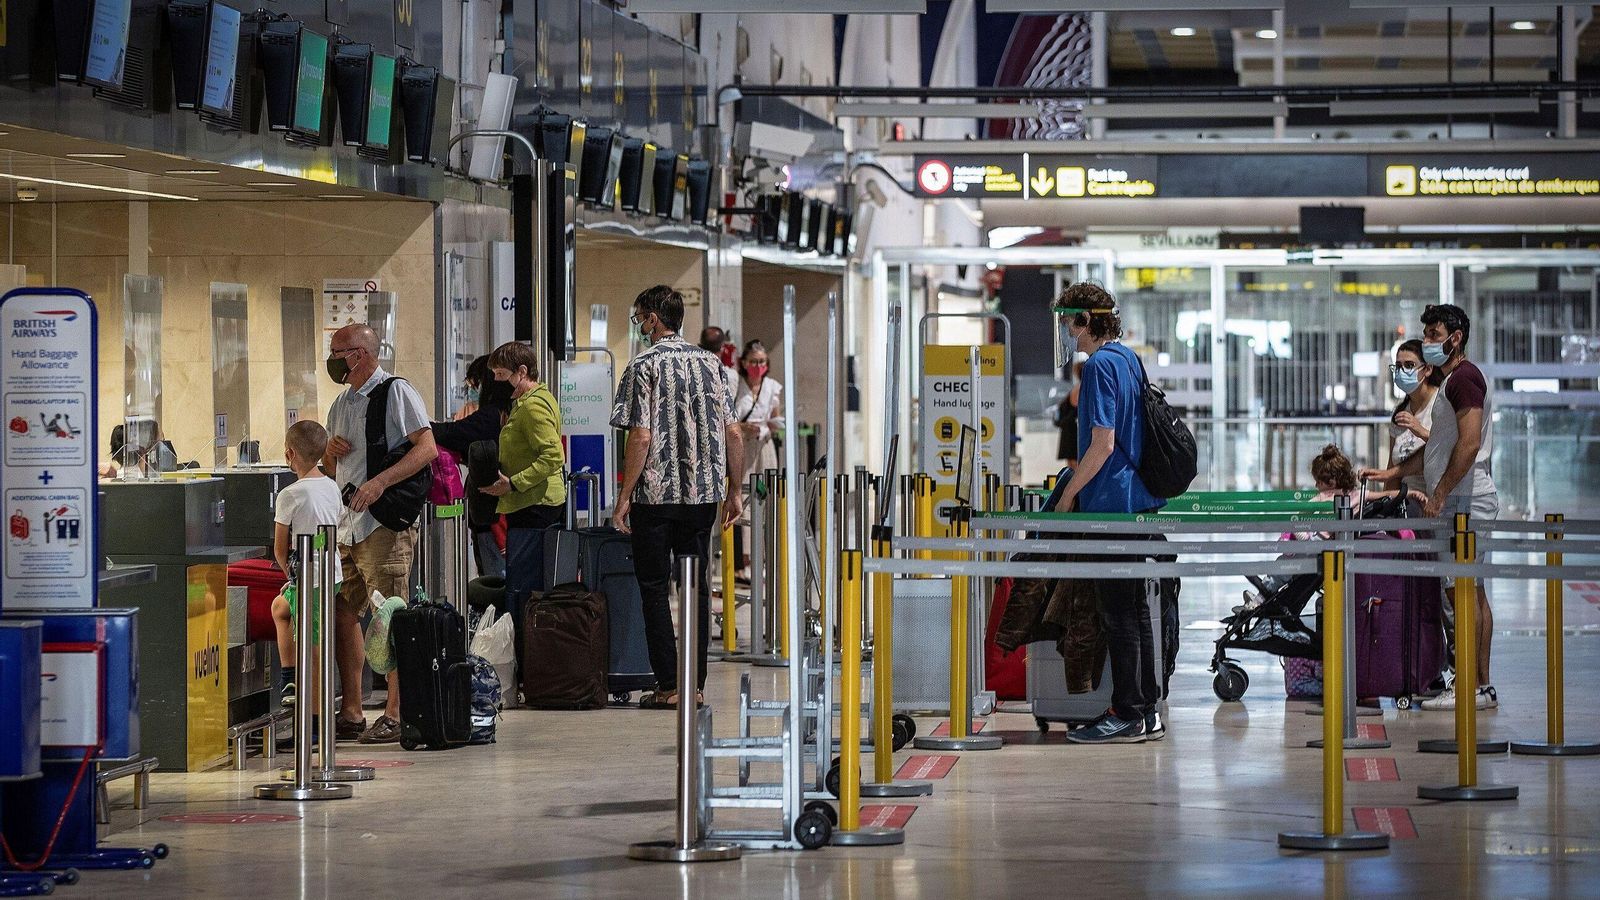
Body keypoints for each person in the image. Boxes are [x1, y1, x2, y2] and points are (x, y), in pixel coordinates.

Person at [1360, 303, 1499, 711]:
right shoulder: (1453, 382)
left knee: (1463, 594)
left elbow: (1469, 444)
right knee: (1469, 592)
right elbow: (1437, 449)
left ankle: (1470, 687)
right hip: (1459, 498)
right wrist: (1392, 475)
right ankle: (1480, 686)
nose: (1429, 342)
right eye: (1427, 334)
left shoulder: (1464, 380)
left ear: (1456, 338)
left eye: (1435, 335)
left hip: (1464, 500)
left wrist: (1439, 495)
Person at [612, 286, 744, 710]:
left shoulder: (642, 366)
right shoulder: (712, 365)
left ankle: (669, 686)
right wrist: (735, 489)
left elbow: (642, 435)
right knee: (696, 589)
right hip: (703, 496)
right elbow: (734, 431)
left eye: (639, 319)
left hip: (655, 496)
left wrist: (624, 495)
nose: (639, 329)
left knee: (654, 588)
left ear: (653, 319)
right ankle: (696, 684)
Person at [1047, 284, 1167, 744]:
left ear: (1084, 320)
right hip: (1137, 500)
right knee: (1135, 609)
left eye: (1067, 321)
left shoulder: (1098, 366)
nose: (1065, 330)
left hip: (1110, 504)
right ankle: (1146, 709)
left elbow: (1103, 444)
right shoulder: (1128, 359)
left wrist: (1067, 495)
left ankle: (1128, 712)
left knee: (1118, 612)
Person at [324, 323, 438, 743]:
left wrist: (380, 483)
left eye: (339, 351)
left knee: (389, 614)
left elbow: (427, 448)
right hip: (348, 526)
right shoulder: (341, 404)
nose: (333, 359)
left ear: (362, 354)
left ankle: (396, 709)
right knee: (343, 609)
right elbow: (335, 470)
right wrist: (329, 454)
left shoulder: (396, 392)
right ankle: (352, 709)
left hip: (382, 523)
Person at [478, 340, 567, 677]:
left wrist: (512, 482)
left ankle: (530, 666)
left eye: (501, 374)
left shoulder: (532, 406)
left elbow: (553, 455)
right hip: (529, 504)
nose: (497, 381)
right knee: (526, 585)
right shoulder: (527, 402)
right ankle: (531, 665)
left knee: (525, 587)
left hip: (534, 504)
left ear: (521, 372)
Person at [268, 420, 342, 708]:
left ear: (289, 455)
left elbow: (279, 548)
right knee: (280, 608)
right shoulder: (331, 487)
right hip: (330, 574)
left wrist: (292, 575)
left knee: (312, 648)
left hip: (310, 580)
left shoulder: (290, 494)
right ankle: (290, 676)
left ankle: (314, 718)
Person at [431, 359, 515, 579]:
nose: (473, 390)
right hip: (498, 512)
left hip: (493, 513)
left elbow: (453, 433)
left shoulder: (491, 416)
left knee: (494, 580)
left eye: (474, 384)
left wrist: (417, 426)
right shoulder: (505, 412)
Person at [1383, 339, 1440, 498]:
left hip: (1436, 499)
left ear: (1427, 369)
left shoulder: (1441, 402)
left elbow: (1448, 448)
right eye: (1398, 366)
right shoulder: (1400, 412)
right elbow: (1392, 469)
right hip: (1407, 500)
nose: (1402, 372)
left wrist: (1419, 429)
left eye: (1409, 365)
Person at [1055, 354, 1087, 467]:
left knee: (1072, 465)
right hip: (1074, 432)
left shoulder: (1075, 388)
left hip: (1068, 430)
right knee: (1076, 465)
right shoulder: (1083, 389)